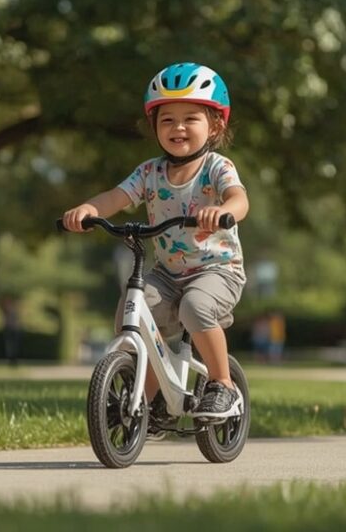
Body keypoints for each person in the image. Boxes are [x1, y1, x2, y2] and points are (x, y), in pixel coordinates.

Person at [62, 62, 249, 425]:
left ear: (215, 125)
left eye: (190, 118)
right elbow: (116, 197)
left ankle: (222, 384)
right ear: (154, 126)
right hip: (168, 273)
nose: (178, 127)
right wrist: (89, 209)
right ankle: (147, 401)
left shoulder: (217, 167)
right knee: (132, 313)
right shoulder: (149, 172)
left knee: (195, 307)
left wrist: (223, 211)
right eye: (167, 120)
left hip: (217, 271)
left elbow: (239, 199)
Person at [0, 296, 23, 368]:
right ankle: (12, 359)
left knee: (13, 345)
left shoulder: (12, 311)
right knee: (10, 345)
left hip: (13, 329)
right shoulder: (7, 312)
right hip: (10, 329)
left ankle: (13, 359)